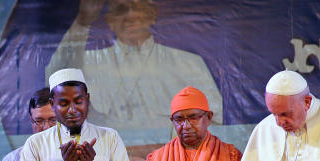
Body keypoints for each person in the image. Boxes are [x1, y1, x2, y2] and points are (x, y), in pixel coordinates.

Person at [46, 0, 223, 130]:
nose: (130, 16)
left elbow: (213, 118)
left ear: (152, 15)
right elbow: (53, 80)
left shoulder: (188, 62)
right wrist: (83, 21)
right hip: (103, 160)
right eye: (121, 9)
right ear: (109, 20)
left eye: (138, 7)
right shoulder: (87, 62)